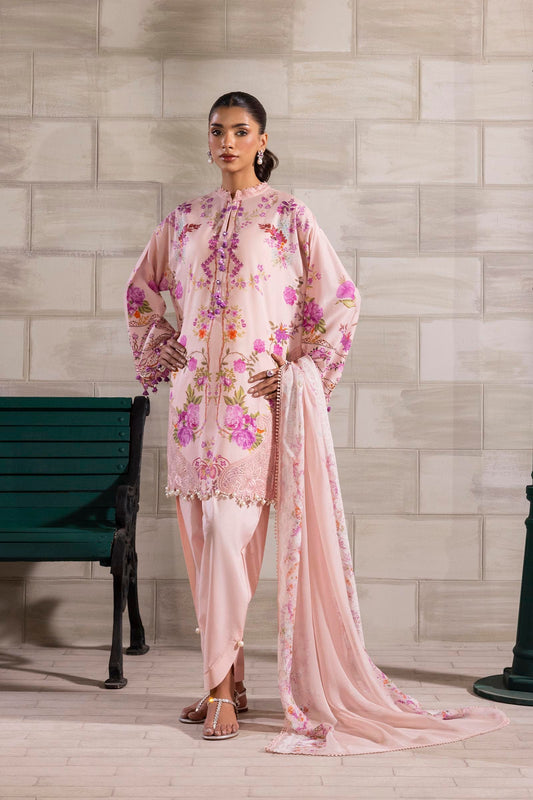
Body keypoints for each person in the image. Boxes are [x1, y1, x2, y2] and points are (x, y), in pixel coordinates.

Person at [125, 91, 510, 753]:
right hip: (191, 413)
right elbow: (141, 292)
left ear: (261, 139)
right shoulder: (184, 220)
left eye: (239, 131)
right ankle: (226, 681)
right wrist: (166, 345)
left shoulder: (287, 217)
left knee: (226, 537)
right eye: (216, 131)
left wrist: (298, 372)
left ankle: (221, 692)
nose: (226, 142)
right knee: (203, 548)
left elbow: (341, 302)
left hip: (251, 410)